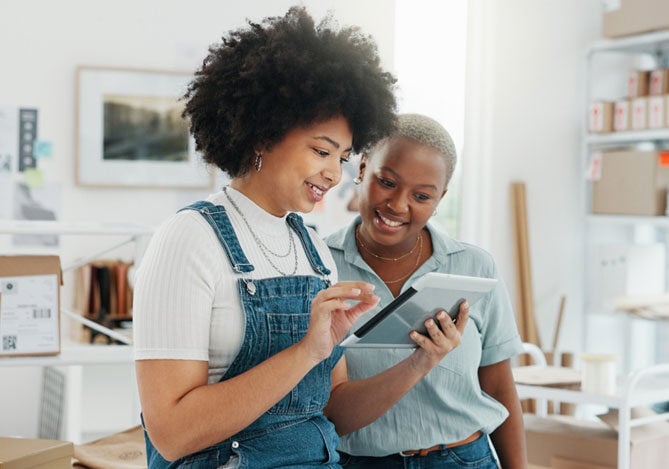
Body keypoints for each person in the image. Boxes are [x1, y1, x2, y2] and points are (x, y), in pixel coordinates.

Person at [133, 8, 467, 469]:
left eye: (344, 156)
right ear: (263, 133)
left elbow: (332, 411)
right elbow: (171, 435)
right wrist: (306, 351)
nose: (335, 174)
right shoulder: (188, 240)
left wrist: (421, 362)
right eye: (321, 150)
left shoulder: (312, 251)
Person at [326, 113, 527, 468]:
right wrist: (423, 360)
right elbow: (331, 413)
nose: (398, 205)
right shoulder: (320, 266)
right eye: (387, 182)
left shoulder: (474, 267)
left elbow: (497, 385)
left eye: (421, 195)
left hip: (464, 458)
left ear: (440, 199)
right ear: (361, 169)